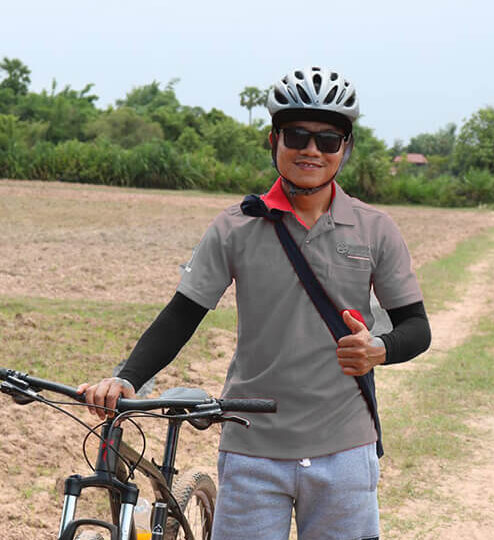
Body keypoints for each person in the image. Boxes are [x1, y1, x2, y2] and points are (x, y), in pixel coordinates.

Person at [78, 66, 431, 540]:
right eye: (297, 135)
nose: (311, 149)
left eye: (328, 140)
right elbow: (182, 314)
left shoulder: (375, 230)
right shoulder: (235, 228)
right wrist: (127, 377)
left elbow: (416, 327)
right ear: (273, 140)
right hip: (252, 447)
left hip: (344, 450)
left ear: (345, 148)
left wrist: (379, 350)